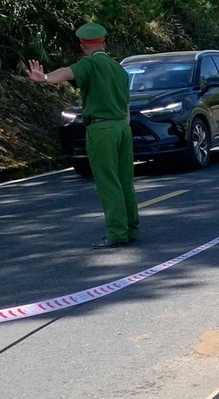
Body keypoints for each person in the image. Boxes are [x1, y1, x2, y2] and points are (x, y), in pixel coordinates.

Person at [28, 22, 137, 249]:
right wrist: (124, 127)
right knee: (125, 178)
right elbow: (126, 104)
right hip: (123, 128)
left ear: (81, 45)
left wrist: (44, 78)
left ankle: (117, 232)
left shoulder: (89, 64)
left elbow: (67, 73)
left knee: (108, 181)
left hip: (101, 129)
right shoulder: (119, 69)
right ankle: (130, 227)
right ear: (104, 42)